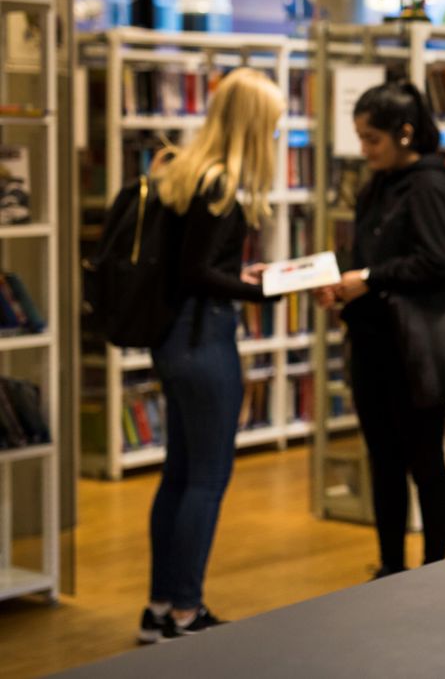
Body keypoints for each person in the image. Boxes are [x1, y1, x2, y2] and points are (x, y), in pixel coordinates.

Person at [139, 68, 283, 643]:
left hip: (173, 338)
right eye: (270, 126)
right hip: (205, 340)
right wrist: (262, 288)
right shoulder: (223, 188)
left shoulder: (182, 173)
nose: (274, 137)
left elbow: (188, 268)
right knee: (207, 478)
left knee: (177, 474)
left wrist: (237, 276)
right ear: (252, 124)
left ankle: (158, 607)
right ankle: (185, 611)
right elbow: (201, 274)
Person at [315, 82, 445, 578]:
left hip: (415, 348)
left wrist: (370, 279)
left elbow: (439, 262)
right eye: (359, 138)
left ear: (404, 133)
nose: (364, 149)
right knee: (382, 460)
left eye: (371, 139)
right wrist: (342, 286)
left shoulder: (430, 184)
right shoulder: (375, 184)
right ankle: (392, 568)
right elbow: (369, 259)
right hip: (373, 343)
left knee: (424, 459)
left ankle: (436, 567)